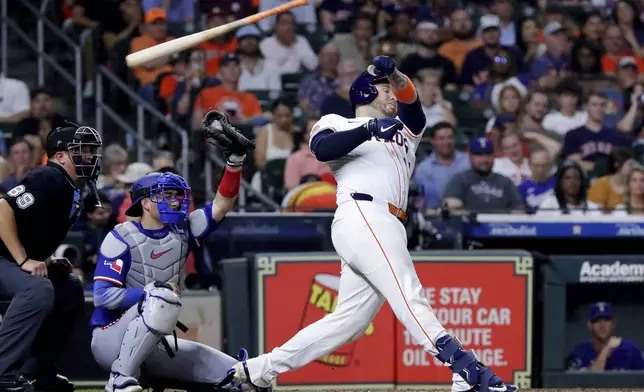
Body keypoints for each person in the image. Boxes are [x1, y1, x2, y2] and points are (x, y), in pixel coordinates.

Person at [226, 56, 518, 392]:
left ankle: (258, 370)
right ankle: (464, 369)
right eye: (385, 89)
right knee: (409, 292)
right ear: (365, 94)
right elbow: (321, 149)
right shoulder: (336, 121)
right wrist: (367, 129)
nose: (393, 95)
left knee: (346, 324)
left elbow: (413, 102)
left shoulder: (405, 131)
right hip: (363, 214)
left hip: (389, 222)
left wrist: (393, 74)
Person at [89, 110, 253, 392]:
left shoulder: (183, 230)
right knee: (160, 294)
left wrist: (235, 162)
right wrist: (149, 291)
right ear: (145, 204)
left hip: (156, 343)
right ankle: (119, 379)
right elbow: (102, 297)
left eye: (177, 196)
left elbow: (222, 205)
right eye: (165, 195)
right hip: (110, 338)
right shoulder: (121, 236)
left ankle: (151, 378)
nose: (175, 202)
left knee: (242, 380)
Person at [0, 124, 103, 392]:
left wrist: (44, 262)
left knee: (68, 287)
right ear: (60, 156)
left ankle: (36, 370)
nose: (90, 156)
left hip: (8, 260)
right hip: (4, 259)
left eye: (92, 151)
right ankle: (2, 373)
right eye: (83, 150)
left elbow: (33, 227)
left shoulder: (71, 186)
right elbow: (2, 210)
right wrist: (24, 261)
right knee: (37, 288)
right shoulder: (50, 176)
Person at [567, 302, 644, 371]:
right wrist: (606, 350)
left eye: (606, 320)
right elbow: (588, 382)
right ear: (590, 325)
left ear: (613, 324)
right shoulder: (580, 352)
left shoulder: (630, 349)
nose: (602, 325)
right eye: (597, 321)